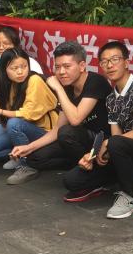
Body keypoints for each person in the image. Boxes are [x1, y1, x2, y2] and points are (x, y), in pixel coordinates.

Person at [63, 41, 133, 219]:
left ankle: (129, 196)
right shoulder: (110, 97)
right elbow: (117, 135)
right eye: (104, 61)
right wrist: (97, 155)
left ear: (126, 62)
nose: (109, 65)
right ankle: (121, 178)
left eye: (115, 59)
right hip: (125, 151)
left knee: (114, 142)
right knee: (71, 180)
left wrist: (108, 143)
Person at [7, 40, 113, 188]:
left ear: (82, 66)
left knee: (67, 133)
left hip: (102, 143)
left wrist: (58, 88)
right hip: (79, 141)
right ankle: (78, 163)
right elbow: (57, 128)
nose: (61, 72)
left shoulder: (96, 82)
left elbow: (75, 119)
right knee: (34, 158)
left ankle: (97, 171)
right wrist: (29, 147)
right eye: (57, 67)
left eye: (67, 66)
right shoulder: (68, 86)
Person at [0, 48, 59, 173]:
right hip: (20, 131)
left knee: (14, 123)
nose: (20, 72)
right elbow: (3, 111)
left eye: (24, 66)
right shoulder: (6, 83)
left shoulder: (34, 80)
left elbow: (28, 114)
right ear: (4, 70)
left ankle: (25, 165)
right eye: (14, 68)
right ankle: (20, 155)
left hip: (45, 132)